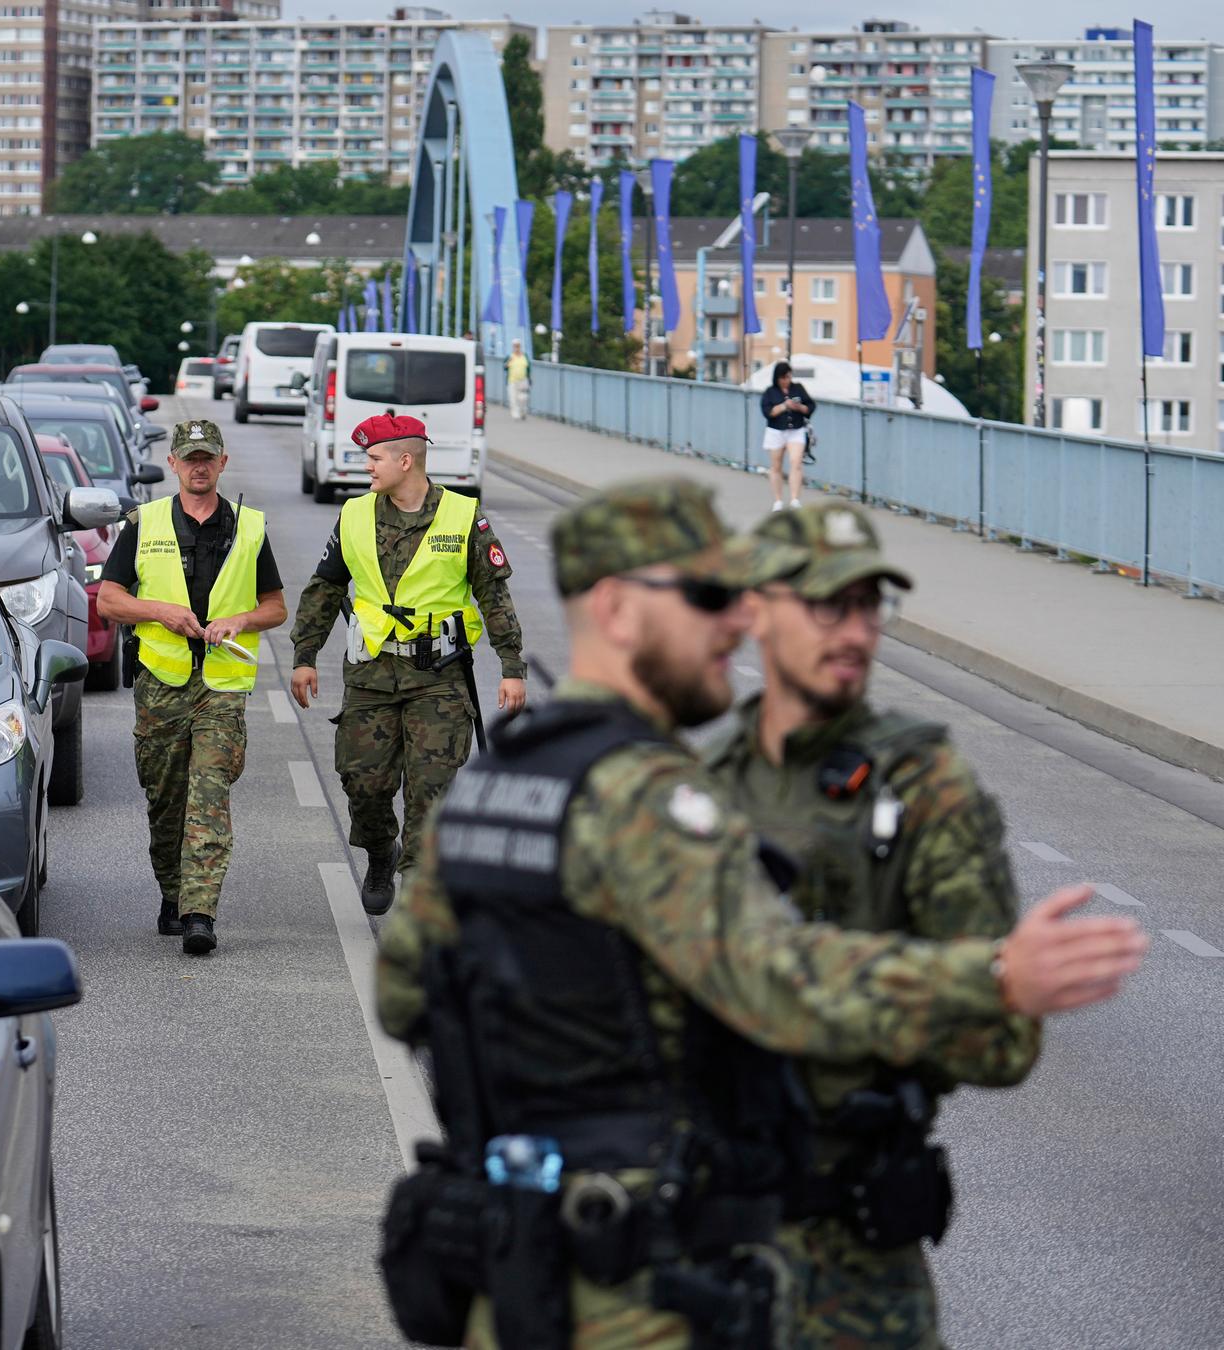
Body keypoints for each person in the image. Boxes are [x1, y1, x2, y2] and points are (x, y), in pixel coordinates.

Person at [373, 478, 1147, 1350]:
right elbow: (774, 977)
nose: (734, 622)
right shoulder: (648, 795)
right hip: (644, 1286)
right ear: (620, 611)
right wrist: (995, 974)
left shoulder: (493, 785)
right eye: (712, 598)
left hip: (522, 1272)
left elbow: (406, 997)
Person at [707, 504, 1035, 1348]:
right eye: (827, 606)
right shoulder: (695, 795)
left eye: (868, 607)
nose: (854, 631)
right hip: (696, 1255)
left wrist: (800, 1001)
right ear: (754, 611)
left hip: (853, 1276)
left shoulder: (924, 787)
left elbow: (1001, 1039)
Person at [289, 413, 529, 915]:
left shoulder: (464, 517)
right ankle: (381, 851)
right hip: (371, 675)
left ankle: (419, 897)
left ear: (405, 460)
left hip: (439, 680)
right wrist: (304, 656)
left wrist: (511, 666)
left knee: (432, 791)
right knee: (364, 783)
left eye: (373, 458)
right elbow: (325, 587)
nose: (366, 467)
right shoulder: (354, 514)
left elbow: (493, 594)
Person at [95, 419, 287, 955]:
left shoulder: (248, 527)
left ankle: (199, 911)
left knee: (209, 796)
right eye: (189, 458)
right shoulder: (145, 523)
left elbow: (276, 607)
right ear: (175, 464)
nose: (199, 466)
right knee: (166, 799)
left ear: (223, 463)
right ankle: (172, 891)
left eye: (208, 457)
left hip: (221, 685)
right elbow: (109, 600)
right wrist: (160, 612)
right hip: (161, 682)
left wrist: (241, 621)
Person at [760, 361, 813, 511]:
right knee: (776, 466)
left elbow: (810, 406)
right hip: (776, 431)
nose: (786, 381)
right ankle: (778, 500)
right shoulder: (770, 392)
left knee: (796, 462)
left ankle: (795, 499)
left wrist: (800, 407)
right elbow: (767, 412)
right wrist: (784, 406)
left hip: (795, 430)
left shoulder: (798, 388)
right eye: (783, 377)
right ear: (777, 378)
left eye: (789, 377)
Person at [505, 339, 531, 420]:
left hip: (523, 380)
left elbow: (528, 368)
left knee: (523, 398)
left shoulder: (524, 356)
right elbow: (505, 367)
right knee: (513, 398)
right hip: (512, 380)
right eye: (515, 346)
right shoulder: (510, 356)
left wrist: (529, 378)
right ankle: (515, 414)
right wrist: (508, 362)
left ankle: (523, 411)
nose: (517, 348)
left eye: (518, 346)